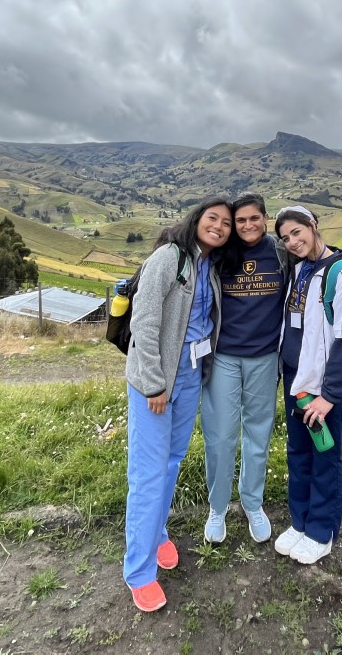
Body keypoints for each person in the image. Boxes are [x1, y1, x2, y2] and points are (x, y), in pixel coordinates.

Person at [123, 195, 233, 612]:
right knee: (149, 471)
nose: (220, 226)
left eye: (226, 223)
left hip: (190, 376)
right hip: (158, 381)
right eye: (213, 218)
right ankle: (139, 570)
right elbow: (145, 320)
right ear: (197, 219)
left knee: (172, 460)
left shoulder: (209, 266)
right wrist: (153, 384)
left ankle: (157, 534)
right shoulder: (170, 257)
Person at [272, 205, 342, 565]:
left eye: (297, 232)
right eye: (286, 237)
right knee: (298, 453)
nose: (293, 241)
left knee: (325, 456)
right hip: (296, 383)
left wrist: (329, 396)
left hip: (322, 390)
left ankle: (321, 532)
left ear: (313, 226)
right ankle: (300, 522)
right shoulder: (298, 271)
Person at [201, 192, 288, 545]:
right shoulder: (221, 254)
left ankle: (253, 503)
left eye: (254, 218)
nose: (248, 225)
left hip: (265, 358)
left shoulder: (281, 253)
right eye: (240, 220)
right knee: (220, 437)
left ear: (265, 219)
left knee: (258, 436)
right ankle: (217, 508)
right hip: (223, 356)